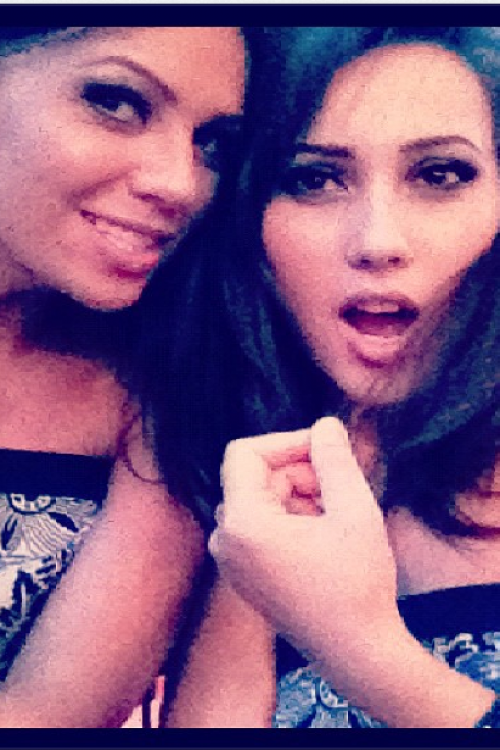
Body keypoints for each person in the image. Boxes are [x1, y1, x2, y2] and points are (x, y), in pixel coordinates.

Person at [164, 27, 500, 728]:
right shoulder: (267, 485)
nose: (377, 241)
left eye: (440, 175)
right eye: (313, 179)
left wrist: (362, 650)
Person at [0, 26, 246, 727]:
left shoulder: (161, 400)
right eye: (116, 101)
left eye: (212, 143)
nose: (181, 184)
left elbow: (50, 719)